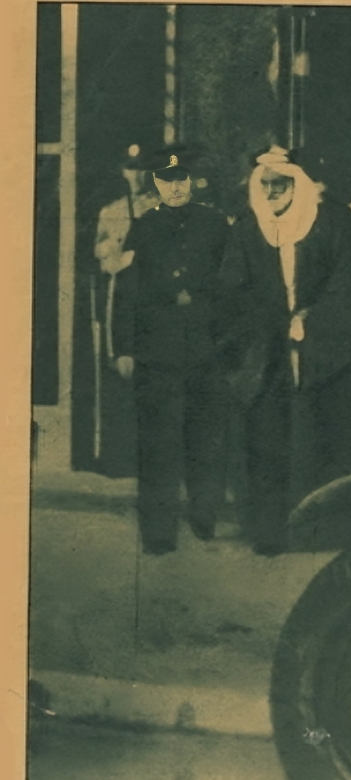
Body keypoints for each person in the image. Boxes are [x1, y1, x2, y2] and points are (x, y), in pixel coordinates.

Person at [220, 146, 351, 555]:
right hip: (268, 353)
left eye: (280, 184)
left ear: (297, 183)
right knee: (266, 438)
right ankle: (268, 531)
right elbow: (232, 292)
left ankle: (331, 531)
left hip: (329, 357)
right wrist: (270, 326)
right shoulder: (248, 229)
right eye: (265, 185)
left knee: (328, 439)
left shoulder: (339, 224)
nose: (271, 193)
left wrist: (309, 324)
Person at [112, 150, 230, 555]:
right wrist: (124, 347)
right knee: (158, 445)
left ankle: (204, 514)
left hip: (205, 350)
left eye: (181, 180)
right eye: (166, 181)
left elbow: (232, 286)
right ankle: (158, 533)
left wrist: (216, 326)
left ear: (192, 182)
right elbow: (125, 291)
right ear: (157, 185)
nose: (175, 188)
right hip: (156, 353)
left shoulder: (216, 226)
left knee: (205, 439)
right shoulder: (143, 227)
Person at [91, 144, 160, 476]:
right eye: (131, 168)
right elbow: (103, 257)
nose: (137, 175)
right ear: (123, 171)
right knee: (122, 375)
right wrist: (118, 258)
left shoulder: (162, 206)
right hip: (123, 299)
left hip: (156, 300)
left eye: (142, 168)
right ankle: (122, 460)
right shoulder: (111, 212)